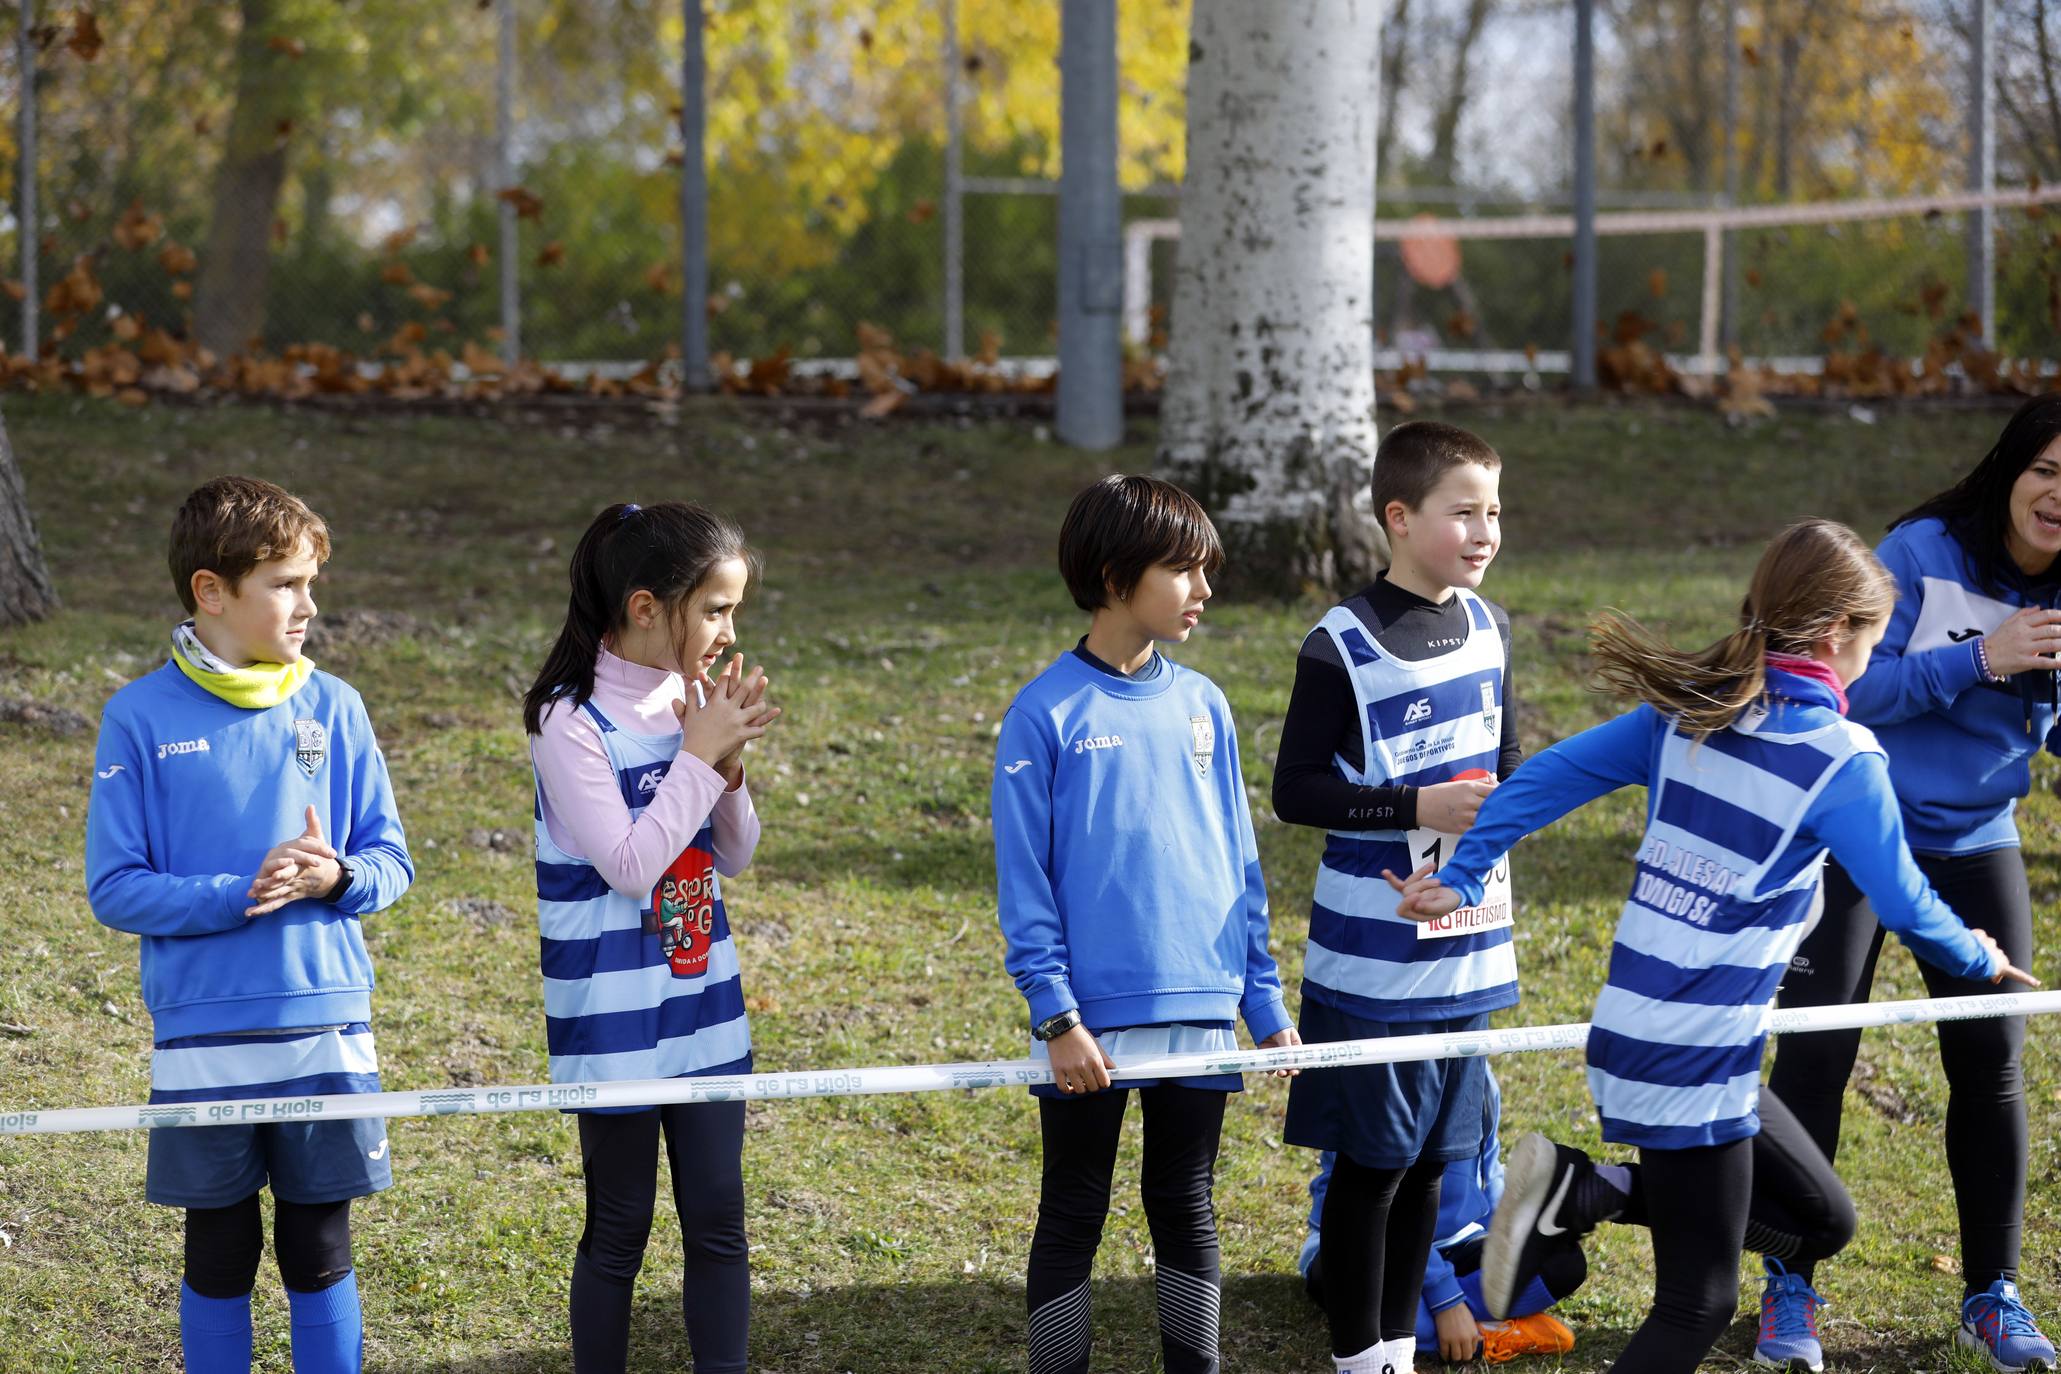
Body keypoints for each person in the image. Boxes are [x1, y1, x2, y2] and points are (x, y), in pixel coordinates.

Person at [1385, 518, 2038, 1374]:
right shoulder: (1840, 759)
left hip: (1642, 1038)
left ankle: (1585, 1189)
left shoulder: (1687, 713)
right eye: (1873, 644)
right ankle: (1578, 1190)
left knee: (1822, 1222)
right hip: (1691, 1059)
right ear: (1837, 634)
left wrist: (1467, 875)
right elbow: (1907, 907)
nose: (1868, 665)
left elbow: (1544, 777)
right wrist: (1978, 959)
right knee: (1698, 1302)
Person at [86, 475, 415, 1374]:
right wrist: (243, 889)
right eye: (285, 583)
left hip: (325, 1025)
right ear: (210, 591)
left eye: (311, 582)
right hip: (204, 1033)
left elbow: (392, 864)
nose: (308, 604)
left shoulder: (336, 707)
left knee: (319, 1251)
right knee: (220, 1252)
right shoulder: (139, 717)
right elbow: (115, 889)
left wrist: (336, 875)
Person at [1767, 395, 2061, 1372]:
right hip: (1858, 824)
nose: (2058, 498)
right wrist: (1980, 658)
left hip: (1979, 838)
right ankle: (1790, 1286)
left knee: (1992, 1067)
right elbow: (1845, 685)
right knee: (1814, 1055)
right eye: (2048, 471)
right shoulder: (1925, 550)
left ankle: (1994, 1293)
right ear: (2012, 470)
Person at [992, 474, 1300, 1374]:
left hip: (1202, 1008)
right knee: (1074, 1207)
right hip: (1088, 1027)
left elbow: (1237, 859)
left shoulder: (1204, 702)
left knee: (1186, 1203)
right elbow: (1026, 885)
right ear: (1113, 575)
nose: (1203, 590)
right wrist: (1058, 1017)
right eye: (1183, 570)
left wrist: (1262, 998)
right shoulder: (1042, 713)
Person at [1274, 421, 1520, 1374]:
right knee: (1371, 1171)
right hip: (1369, 961)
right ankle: (1357, 1359)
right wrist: (1415, 804)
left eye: (1495, 511)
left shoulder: (1490, 628)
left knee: (1430, 1168)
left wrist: (1476, 842)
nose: (1485, 530)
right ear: (1398, 517)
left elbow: (1502, 769)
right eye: (1463, 512)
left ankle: (1393, 1352)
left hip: (1467, 947)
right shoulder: (1340, 643)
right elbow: (1295, 790)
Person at [522, 501, 779, 1374]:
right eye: (714, 609)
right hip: (614, 1023)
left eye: (733, 609)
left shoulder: (689, 706)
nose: (728, 629)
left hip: (704, 1009)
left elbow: (734, 854)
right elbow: (631, 865)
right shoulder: (568, 722)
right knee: (619, 1226)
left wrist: (728, 768)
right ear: (643, 607)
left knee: (719, 1223)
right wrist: (700, 756)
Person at [1297, 1065, 1582, 1365]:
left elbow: (1489, 1167)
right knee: (1374, 1307)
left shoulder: (1477, 1075)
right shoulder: (1375, 1079)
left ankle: (1456, 1325)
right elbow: (1374, 1206)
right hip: (1367, 1245)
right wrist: (1447, 1300)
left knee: (1563, 1259)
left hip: (1458, 1243)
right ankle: (1486, 1334)